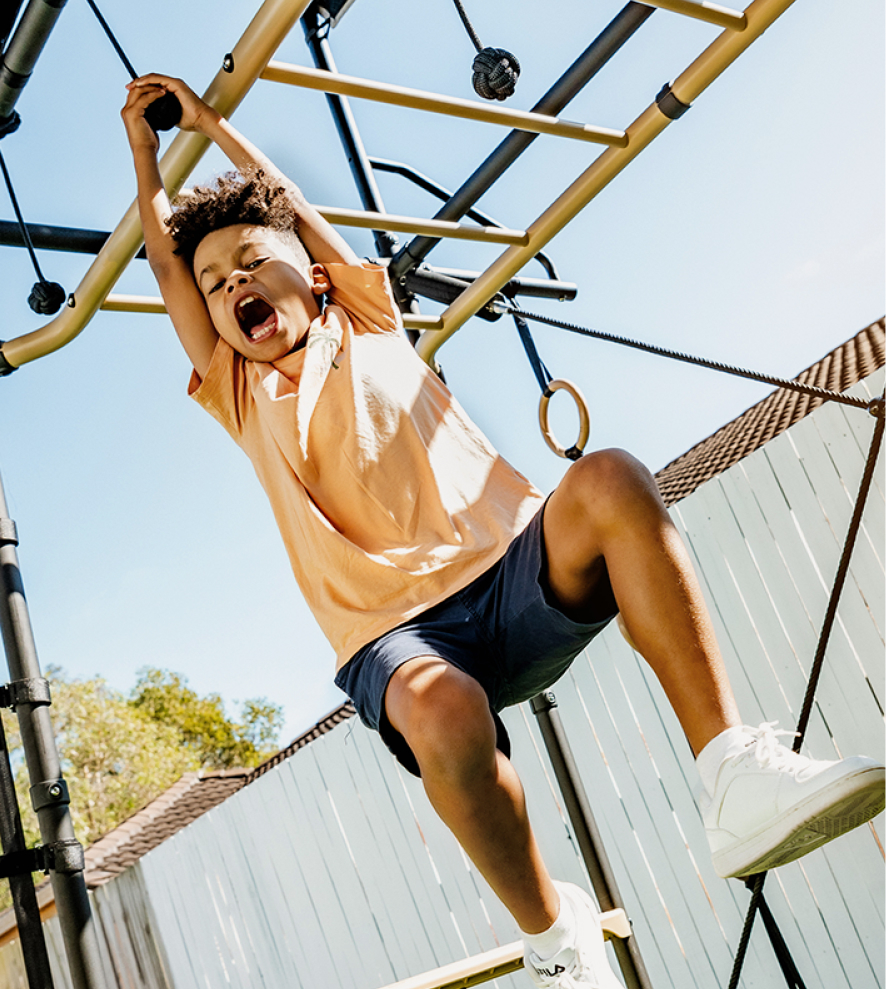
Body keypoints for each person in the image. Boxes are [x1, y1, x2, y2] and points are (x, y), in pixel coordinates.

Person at [121, 75, 884, 989]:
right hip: (399, 636)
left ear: (313, 272)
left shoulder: (362, 315)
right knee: (444, 708)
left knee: (610, 477)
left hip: (513, 571)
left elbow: (290, 203)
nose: (233, 280)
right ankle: (556, 935)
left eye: (251, 259)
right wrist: (145, 155)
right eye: (216, 283)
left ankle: (734, 774)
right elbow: (168, 264)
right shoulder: (240, 395)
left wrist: (209, 123)